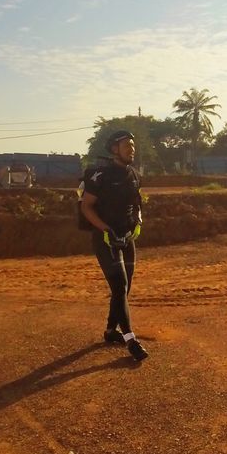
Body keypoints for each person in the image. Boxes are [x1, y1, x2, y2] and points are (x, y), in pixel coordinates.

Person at [79, 130, 148, 361]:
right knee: (119, 286)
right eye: (127, 145)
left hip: (127, 238)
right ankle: (130, 339)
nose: (132, 149)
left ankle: (110, 331)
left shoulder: (134, 175)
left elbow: (137, 202)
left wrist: (137, 222)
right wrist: (105, 229)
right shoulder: (100, 175)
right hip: (106, 239)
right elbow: (86, 206)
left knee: (123, 290)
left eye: (133, 145)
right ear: (114, 149)